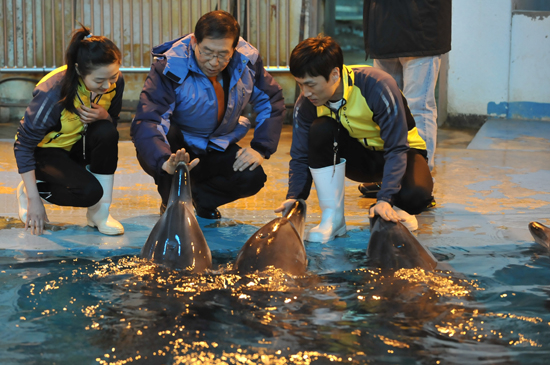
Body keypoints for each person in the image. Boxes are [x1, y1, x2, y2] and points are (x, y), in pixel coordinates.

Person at [275, 36, 434, 243]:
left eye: (310, 85)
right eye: (300, 84)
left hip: (401, 154)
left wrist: (385, 198)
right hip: (359, 160)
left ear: (334, 74)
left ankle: (395, 205)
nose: (305, 93)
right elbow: (300, 155)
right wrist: (295, 197)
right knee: (321, 129)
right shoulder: (306, 103)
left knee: (417, 195)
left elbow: (397, 148)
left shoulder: (376, 85)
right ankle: (333, 218)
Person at [131, 10, 284, 219]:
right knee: (168, 138)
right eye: (207, 52)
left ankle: (201, 200)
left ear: (234, 47)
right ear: (194, 41)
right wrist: (164, 160)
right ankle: (172, 202)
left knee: (252, 176)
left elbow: (272, 100)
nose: (214, 62)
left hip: (216, 144)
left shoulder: (247, 61)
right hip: (178, 148)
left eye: (223, 54)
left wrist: (261, 148)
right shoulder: (169, 66)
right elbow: (149, 119)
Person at [14, 26, 125, 236]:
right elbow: (23, 145)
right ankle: (32, 189)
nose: (107, 85)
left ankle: (99, 214)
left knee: (107, 131)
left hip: (76, 143)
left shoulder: (114, 81)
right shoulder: (53, 92)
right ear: (79, 71)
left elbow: (114, 123)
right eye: (99, 80)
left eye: (113, 76)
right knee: (89, 192)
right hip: (45, 152)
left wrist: (106, 117)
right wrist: (33, 200)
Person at [362, 0, 452, 177]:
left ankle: (419, 176)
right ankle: (388, 174)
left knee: (417, 106)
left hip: (421, 28)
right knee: (384, 108)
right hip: (384, 26)